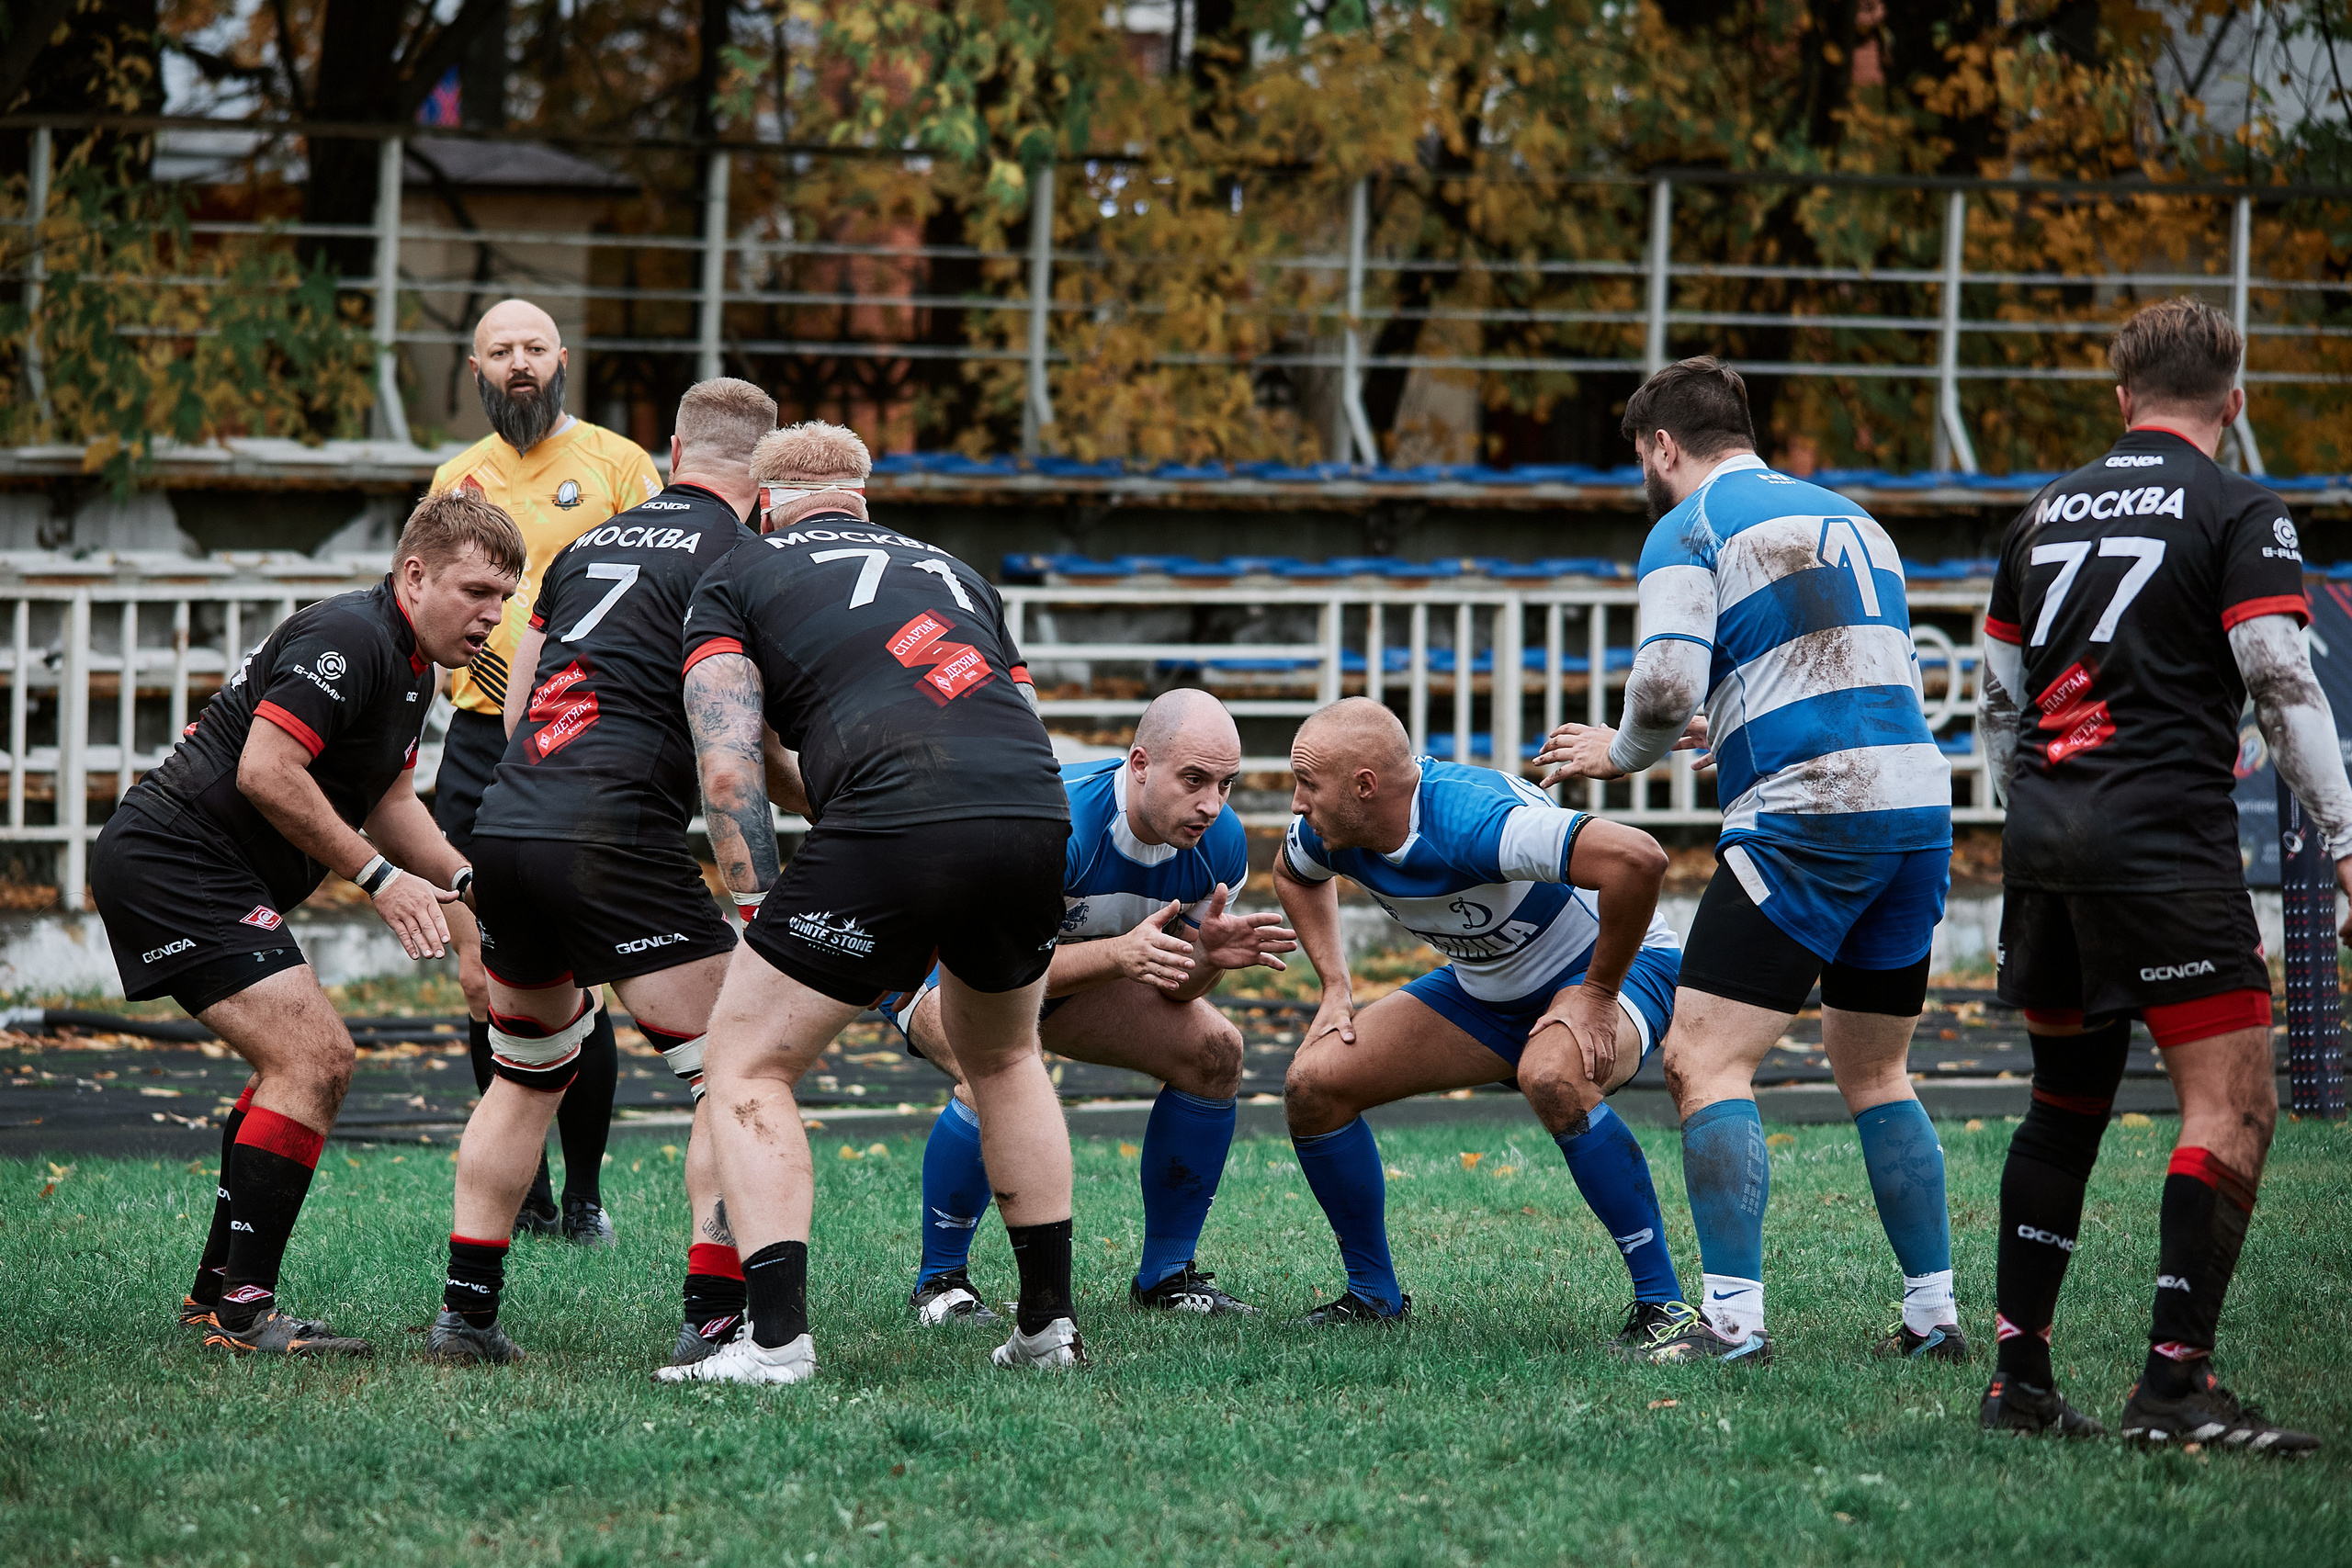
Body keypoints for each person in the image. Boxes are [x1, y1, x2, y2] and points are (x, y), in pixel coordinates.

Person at [1976, 298, 2344, 1452]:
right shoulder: (2240, 507)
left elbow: (1997, 700)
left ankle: (2018, 1381)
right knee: (2230, 1101)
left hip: (2043, 841)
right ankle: (2174, 1389)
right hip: (2165, 841)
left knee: (2062, 1107)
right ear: (2231, 402)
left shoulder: (2038, 513)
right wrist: (2345, 840)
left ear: (2119, 398)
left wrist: (2034, 812)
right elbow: (2278, 679)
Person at [1540, 355, 1958, 1368]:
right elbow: (1846, 671)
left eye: (1642, 456)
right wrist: (1729, 721)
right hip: (1914, 810)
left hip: (1810, 817)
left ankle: (1730, 1325)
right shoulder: (1851, 516)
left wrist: (1619, 752)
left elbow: (1664, 683)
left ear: (1663, 446)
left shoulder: (1686, 526)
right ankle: (1932, 1315)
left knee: (1702, 1057)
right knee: (1877, 1070)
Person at [656, 421, 1082, 1384]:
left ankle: (774, 1344)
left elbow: (726, 774)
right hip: (1029, 809)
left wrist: (762, 911)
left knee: (745, 1060)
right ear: (862, 494)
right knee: (1008, 1055)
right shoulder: (954, 573)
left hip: (896, 820)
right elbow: (998, 721)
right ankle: (1048, 1329)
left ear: (765, 503)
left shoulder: (737, 571)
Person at [92, 491, 524, 1355]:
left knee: (294, 1063)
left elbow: (391, 799)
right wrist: (376, 877)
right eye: (477, 590)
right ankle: (243, 1315)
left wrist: (468, 882)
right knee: (314, 1056)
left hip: (204, 868)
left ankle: (218, 1296)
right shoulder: (352, 636)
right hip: (175, 861)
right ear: (415, 573)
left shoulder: (411, 663)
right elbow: (265, 769)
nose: (493, 616)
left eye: (505, 599)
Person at [423, 378, 778, 1367]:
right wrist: (763, 890)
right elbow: (736, 741)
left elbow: (523, 694)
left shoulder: (588, 545)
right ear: (767, 472)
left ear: (672, 448)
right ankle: (714, 1318)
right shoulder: (745, 560)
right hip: (614, 833)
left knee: (524, 1075)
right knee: (735, 1070)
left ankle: (466, 1317)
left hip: (511, 823)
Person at [1272, 697, 1693, 1338]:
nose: (1298, 803)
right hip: (1487, 991)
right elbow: (1291, 875)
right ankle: (1373, 1295)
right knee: (1313, 1084)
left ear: (1365, 786)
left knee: (1552, 1075)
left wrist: (1599, 993)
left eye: (1308, 784)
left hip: (1623, 968)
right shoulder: (1331, 831)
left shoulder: (1474, 820)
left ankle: (1664, 1304)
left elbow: (1637, 858)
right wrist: (1335, 984)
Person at [884, 688, 1297, 1322]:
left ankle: (1166, 1275)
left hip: (1059, 976)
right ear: (1138, 764)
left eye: (1226, 783)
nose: (1211, 804)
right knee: (993, 1070)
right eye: (1193, 779)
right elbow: (1000, 973)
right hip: (938, 963)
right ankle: (940, 1283)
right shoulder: (1055, 823)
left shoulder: (1221, 845)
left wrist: (1207, 958)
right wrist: (1116, 957)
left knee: (1216, 1052)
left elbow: (1172, 985)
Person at [429, 297, 663, 1245]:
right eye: (499, 352)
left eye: (533, 348)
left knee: (582, 970)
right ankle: (516, 1192)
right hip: (480, 743)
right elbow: (421, 599)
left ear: (560, 359)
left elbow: (663, 592)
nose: (518, 364)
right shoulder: (455, 478)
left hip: (585, 744)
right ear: (476, 369)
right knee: (485, 969)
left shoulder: (617, 465)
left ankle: (585, 1195)